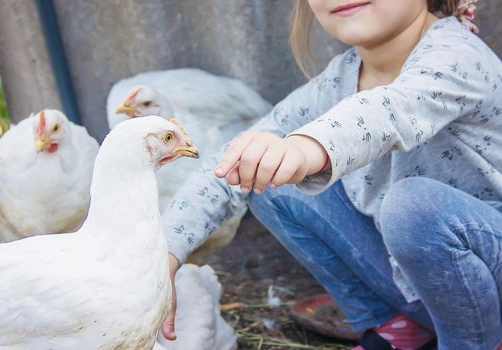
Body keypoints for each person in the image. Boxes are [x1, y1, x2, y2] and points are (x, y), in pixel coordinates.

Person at [160, 0, 502, 349]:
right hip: (425, 291)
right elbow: (227, 162)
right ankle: (398, 327)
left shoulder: (456, 55)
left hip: (494, 285)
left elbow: (389, 111)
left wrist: (304, 147)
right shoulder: (340, 79)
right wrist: (163, 255)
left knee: (415, 207)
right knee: (265, 170)